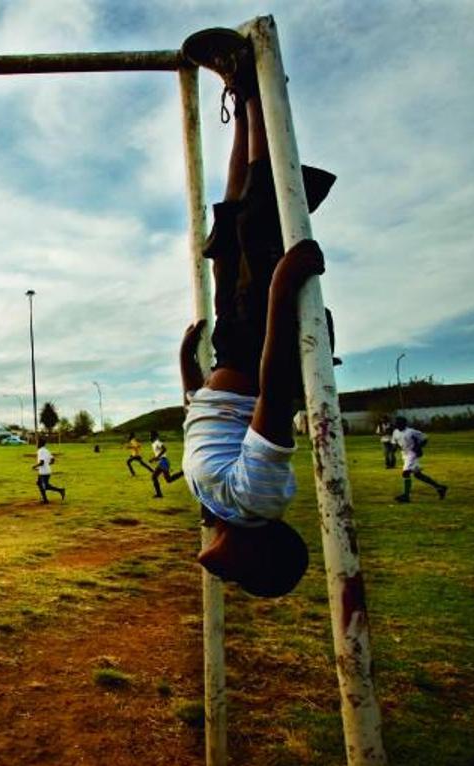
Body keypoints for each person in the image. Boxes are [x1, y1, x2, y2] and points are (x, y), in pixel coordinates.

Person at [176, 26, 339, 598]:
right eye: (242, 575)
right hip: (254, 344)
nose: (226, 576)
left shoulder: (213, 503)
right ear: (256, 547)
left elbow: (205, 422)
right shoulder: (259, 499)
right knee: (261, 210)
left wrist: (187, 373)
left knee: (225, 233)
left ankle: (238, 89)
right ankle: (252, 93)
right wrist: (281, 287)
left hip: (228, 350)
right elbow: (273, 393)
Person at [391, 416, 447, 502]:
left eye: (399, 423)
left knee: (405, 473)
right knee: (418, 475)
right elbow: (395, 442)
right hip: (405, 454)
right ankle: (440, 487)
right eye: (396, 423)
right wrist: (394, 449)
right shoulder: (395, 432)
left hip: (412, 453)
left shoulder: (411, 431)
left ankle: (406, 496)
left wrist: (419, 447)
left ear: (404, 424)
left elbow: (425, 438)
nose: (397, 425)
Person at [148, 430, 184, 498]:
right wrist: (154, 459)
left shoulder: (157, 442)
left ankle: (159, 494)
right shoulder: (154, 444)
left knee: (154, 477)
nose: (149, 437)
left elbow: (164, 449)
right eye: (149, 436)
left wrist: (156, 458)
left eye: (150, 436)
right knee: (168, 480)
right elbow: (161, 454)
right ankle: (182, 472)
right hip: (163, 461)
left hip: (163, 462)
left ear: (155, 436)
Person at [32, 438, 65, 504]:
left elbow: (42, 462)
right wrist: (47, 464)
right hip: (46, 470)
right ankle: (45, 499)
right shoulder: (47, 450)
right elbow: (53, 460)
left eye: (38, 442)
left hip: (43, 472)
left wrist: (34, 466)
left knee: (45, 486)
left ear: (40, 443)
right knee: (39, 483)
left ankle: (60, 490)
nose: (37, 444)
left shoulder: (40, 451)